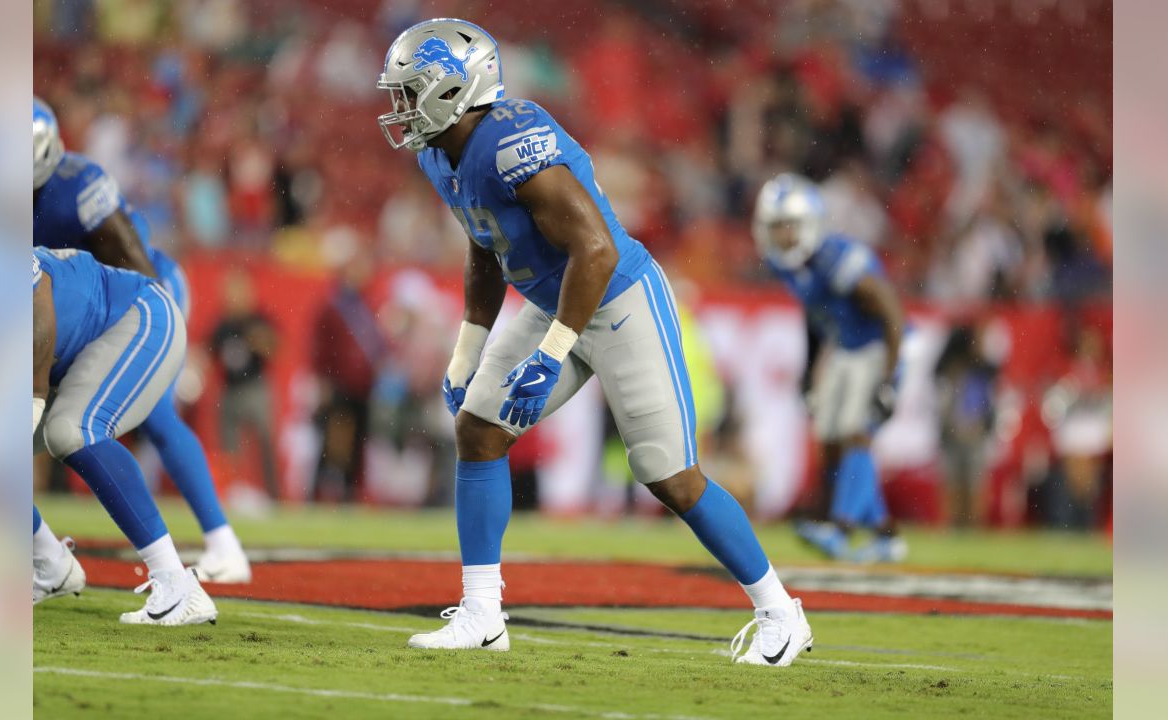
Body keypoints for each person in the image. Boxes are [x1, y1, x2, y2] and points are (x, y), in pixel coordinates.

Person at [377, 19, 812, 666]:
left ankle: (781, 611)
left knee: (671, 478)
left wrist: (551, 351)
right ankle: (482, 612)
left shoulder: (510, 144)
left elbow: (597, 249)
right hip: (556, 297)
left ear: (454, 91)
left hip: (617, 297)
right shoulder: (441, 151)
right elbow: (485, 246)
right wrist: (467, 349)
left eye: (413, 91)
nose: (402, 107)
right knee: (480, 429)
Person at [32, 97, 250, 582]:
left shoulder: (79, 185)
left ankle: (221, 543)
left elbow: (133, 261)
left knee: (154, 413)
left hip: (143, 289)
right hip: (85, 308)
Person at [33, 247, 218, 625]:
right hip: (72, 356)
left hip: (136, 315)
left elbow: (38, 300)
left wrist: (33, 397)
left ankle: (178, 584)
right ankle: (49, 563)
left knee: (72, 431)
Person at [753, 173, 908, 563]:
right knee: (832, 436)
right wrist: (809, 372)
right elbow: (814, 316)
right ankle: (885, 535)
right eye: (776, 227)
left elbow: (891, 310)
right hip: (846, 348)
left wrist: (888, 378)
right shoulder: (793, 265)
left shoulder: (837, 259)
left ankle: (839, 530)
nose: (783, 236)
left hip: (880, 345)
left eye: (789, 226)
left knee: (858, 433)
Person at [311, 253, 386, 502]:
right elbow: (321, 348)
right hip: (339, 386)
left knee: (357, 443)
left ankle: (349, 493)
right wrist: (323, 381)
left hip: (362, 388)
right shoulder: (335, 306)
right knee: (332, 444)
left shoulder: (365, 305)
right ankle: (318, 492)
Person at [211, 270, 280, 500]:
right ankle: (232, 492)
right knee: (229, 448)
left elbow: (275, 348)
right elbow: (210, 353)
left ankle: (272, 495)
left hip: (255, 387)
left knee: (265, 443)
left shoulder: (257, 320)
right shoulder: (223, 325)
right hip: (230, 390)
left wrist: (260, 341)